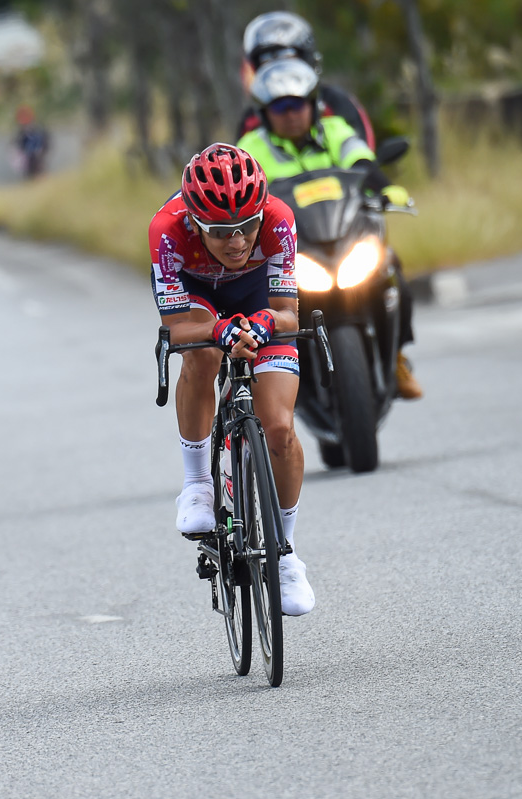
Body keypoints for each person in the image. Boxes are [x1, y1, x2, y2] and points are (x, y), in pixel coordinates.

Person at [150, 143, 314, 615]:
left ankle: (285, 559)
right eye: (221, 232)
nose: (238, 241)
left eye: (247, 226)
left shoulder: (280, 219)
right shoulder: (166, 231)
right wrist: (219, 330)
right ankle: (198, 482)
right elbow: (176, 327)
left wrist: (262, 321)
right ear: (195, 223)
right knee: (199, 356)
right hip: (200, 303)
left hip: (260, 300)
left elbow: (287, 313)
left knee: (279, 429)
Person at [237, 58, 423, 399]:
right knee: (261, 302)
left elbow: (361, 162)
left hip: (344, 235)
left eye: (298, 104)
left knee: (392, 273)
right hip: (296, 246)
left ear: (313, 104)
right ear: (264, 112)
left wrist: (385, 189)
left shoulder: (336, 131)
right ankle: (272, 377)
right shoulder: (252, 148)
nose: (291, 113)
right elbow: (244, 191)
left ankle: (396, 357)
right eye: (280, 106)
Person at [236, 11, 375, 150]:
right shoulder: (251, 122)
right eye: (266, 60)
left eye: (287, 57)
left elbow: (364, 154)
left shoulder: (336, 103)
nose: (279, 68)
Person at [14, 105, 49, 179]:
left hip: (37, 159)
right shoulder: (21, 133)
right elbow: (20, 147)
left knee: (40, 177)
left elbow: (45, 143)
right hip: (28, 161)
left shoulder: (38, 130)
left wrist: (41, 152)